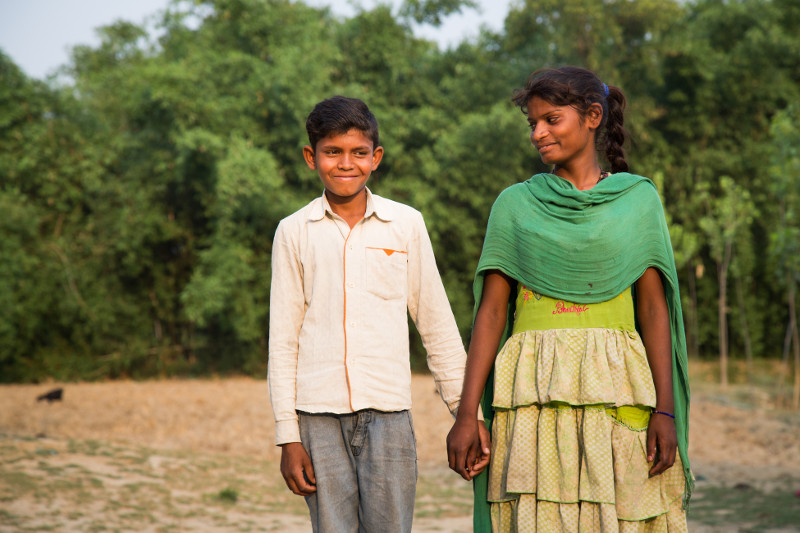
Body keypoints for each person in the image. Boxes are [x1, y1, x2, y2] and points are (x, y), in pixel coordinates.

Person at [446, 67, 693, 532]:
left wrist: (665, 410)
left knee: (622, 514)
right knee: (537, 516)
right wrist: (465, 412)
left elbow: (654, 310)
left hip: (616, 386)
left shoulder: (637, 201)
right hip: (533, 392)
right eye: (532, 124)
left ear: (593, 116)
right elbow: (492, 312)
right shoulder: (516, 205)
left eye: (551, 120)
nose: (538, 133)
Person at [268, 95, 489, 533]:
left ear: (376, 158)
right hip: (317, 418)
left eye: (358, 152)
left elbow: (436, 324)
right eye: (332, 152)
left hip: (389, 417)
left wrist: (468, 413)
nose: (345, 163)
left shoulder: (404, 224)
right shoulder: (293, 231)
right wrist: (288, 436)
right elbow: (283, 339)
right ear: (312, 157)